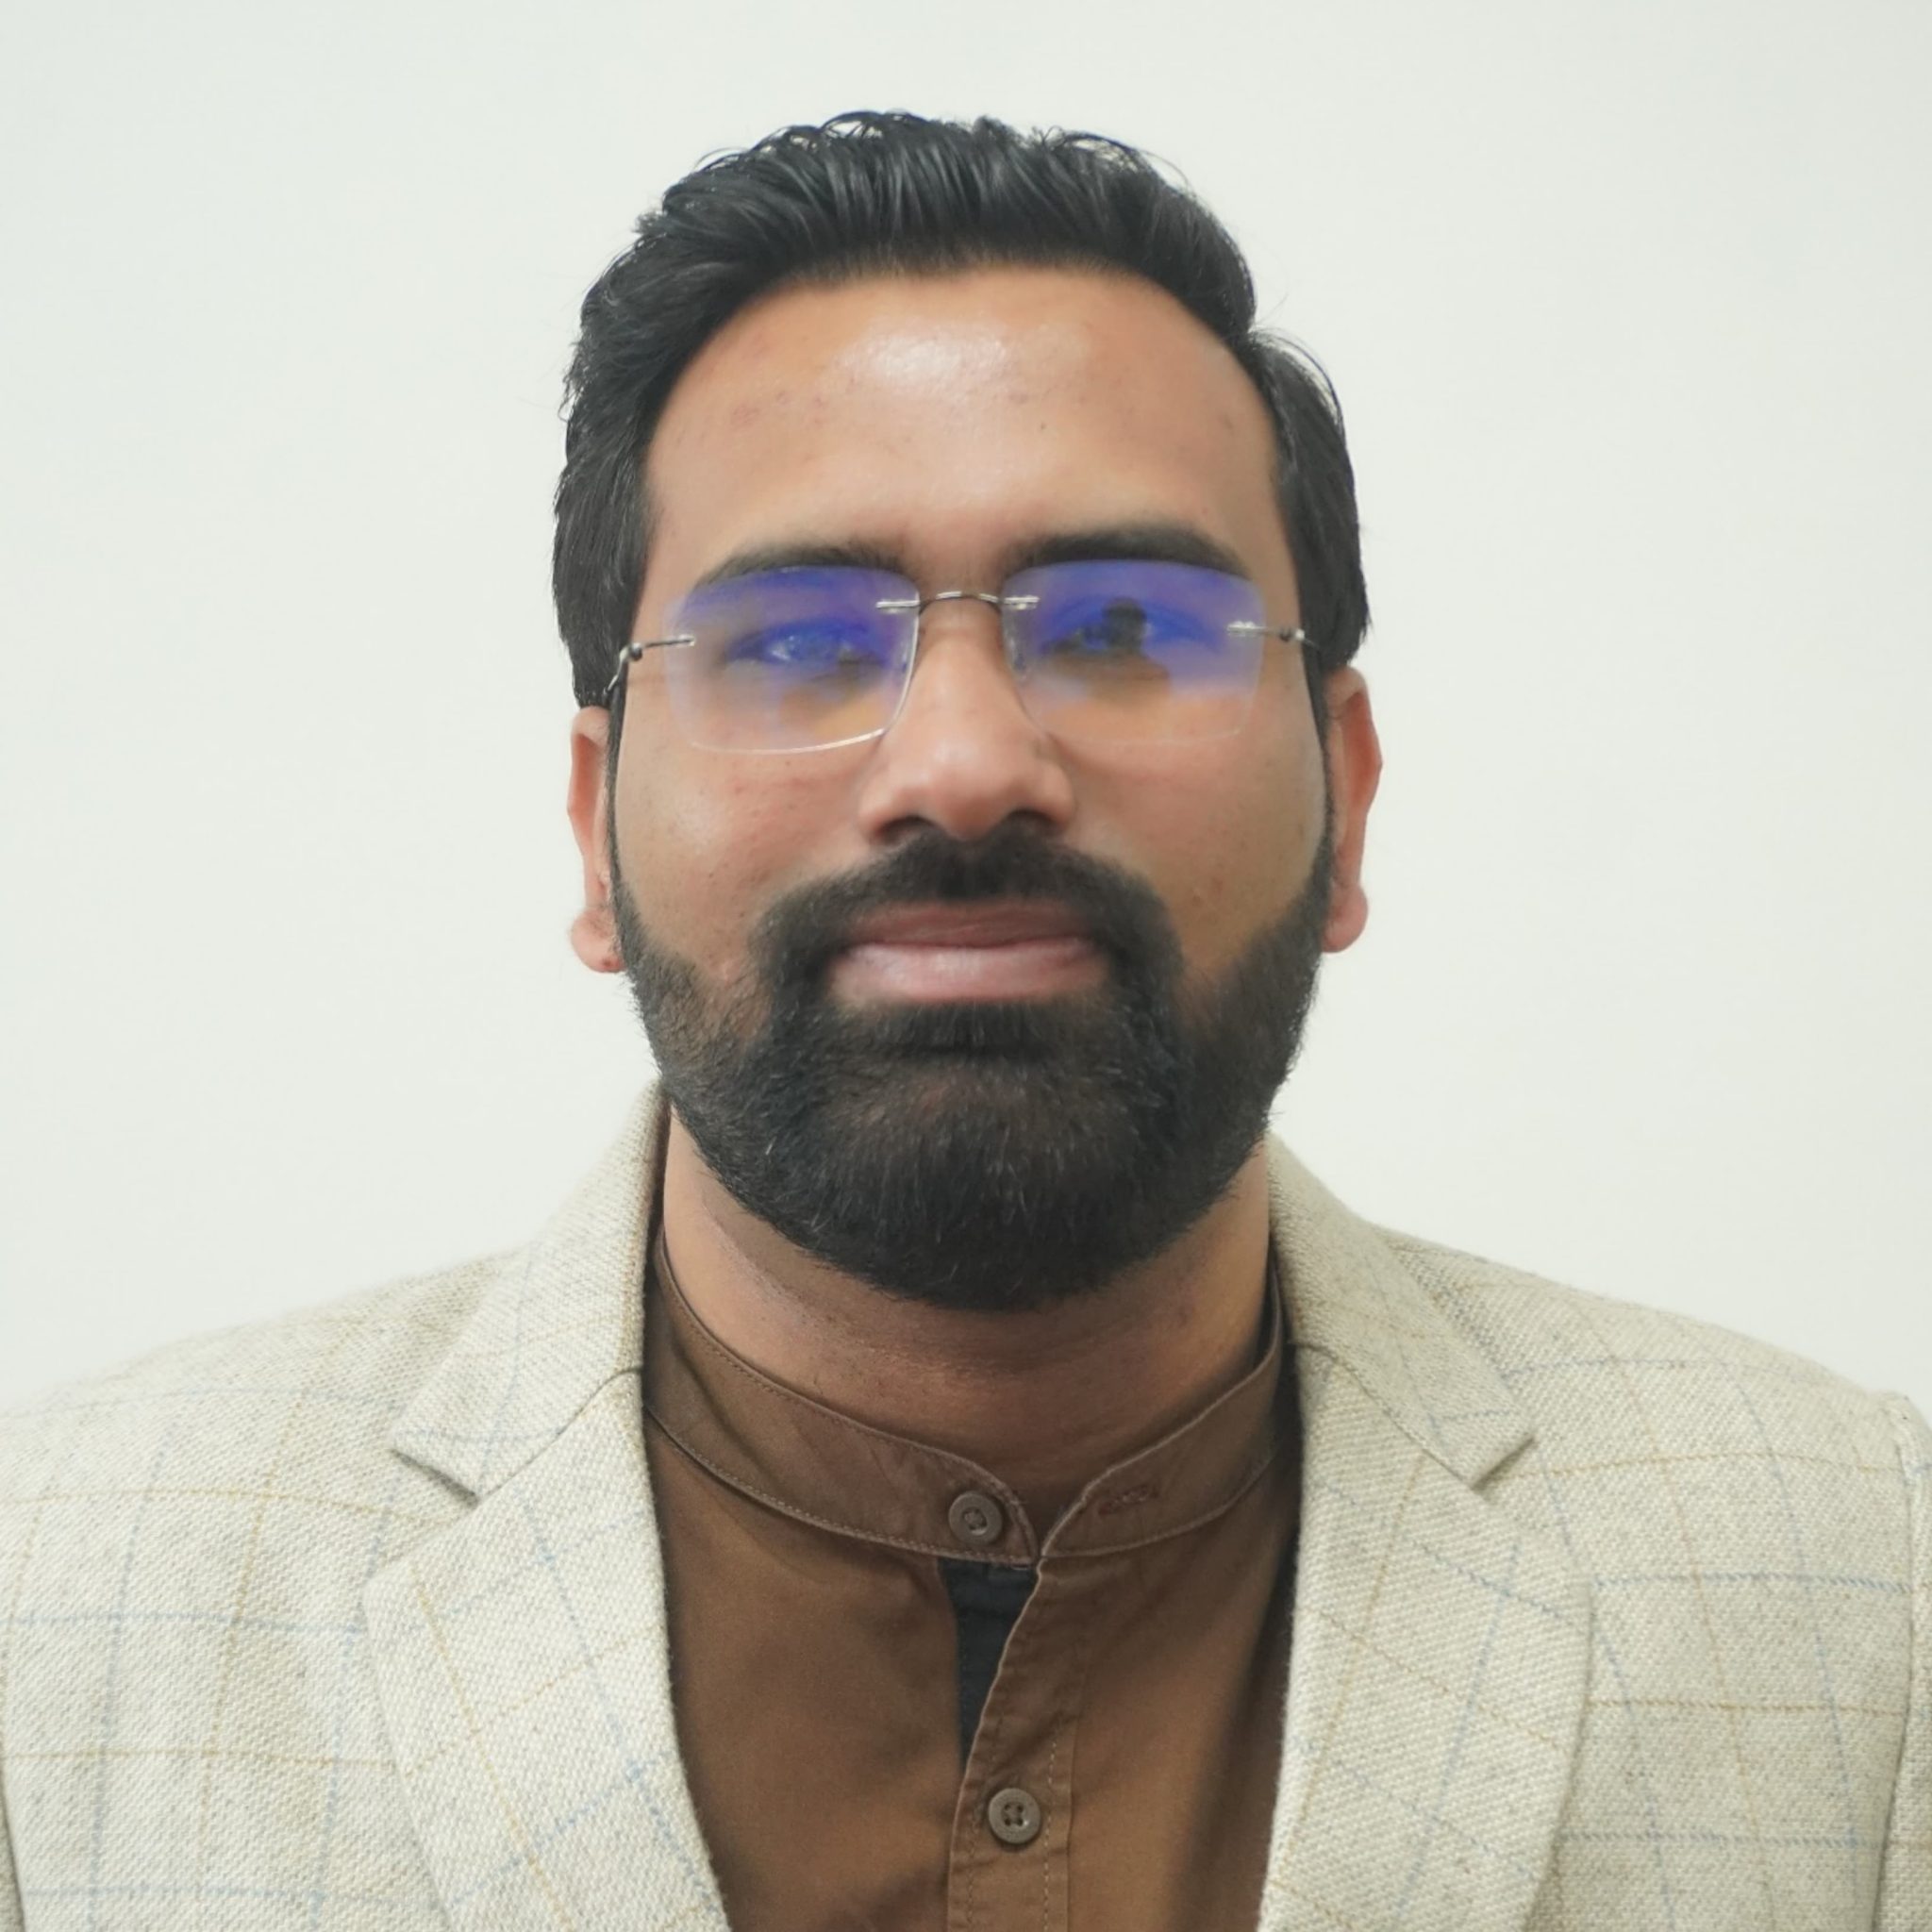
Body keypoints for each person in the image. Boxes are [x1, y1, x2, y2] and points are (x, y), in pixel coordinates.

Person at [0, 111, 1924, 1932]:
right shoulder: (56, 1605)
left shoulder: (1867, 1587)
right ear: (594, 826)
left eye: (1123, 630)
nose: (964, 763)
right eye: (792, 645)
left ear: (1344, 796)